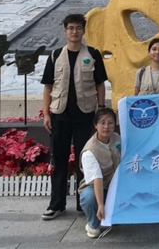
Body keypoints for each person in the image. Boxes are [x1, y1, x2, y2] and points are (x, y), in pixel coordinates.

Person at [41, 13, 107, 220]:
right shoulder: (55, 55)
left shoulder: (93, 54)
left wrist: (101, 109)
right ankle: (57, 204)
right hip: (59, 115)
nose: (74, 32)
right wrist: (46, 113)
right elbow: (48, 86)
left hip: (85, 115)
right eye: (70, 28)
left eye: (78, 28)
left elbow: (100, 84)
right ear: (65, 31)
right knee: (59, 160)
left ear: (83, 31)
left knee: (84, 159)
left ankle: (83, 203)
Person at [78, 107, 121, 239]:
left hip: (115, 185)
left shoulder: (117, 138)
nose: (106, 127)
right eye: (102, 123)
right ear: (95, 125)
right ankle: (93, 224)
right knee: (89, 197)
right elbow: (97, 178)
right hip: (97, 187)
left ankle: (114, 216)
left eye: (110, 123)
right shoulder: (89, 151)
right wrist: (101, 205)